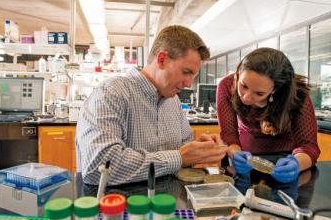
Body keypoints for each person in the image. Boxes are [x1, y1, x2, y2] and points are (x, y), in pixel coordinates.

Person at [76, 25, 227, 185]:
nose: (189, 84)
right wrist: (179, 157)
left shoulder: (174, 101)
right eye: (186, 72)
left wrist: (198, 149)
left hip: (166, 202)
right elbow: (98, 167)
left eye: (193, 76)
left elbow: (183, 147)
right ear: (162, 60)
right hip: (120, 205)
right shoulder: (111, 93)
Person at [217, 47, 320, 183]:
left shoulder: (297, 93)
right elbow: (229, 135)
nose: (246, 98)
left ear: (276, 89)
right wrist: (235, 153)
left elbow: (308, 146)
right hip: (246, 155)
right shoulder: (227, 85)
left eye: (259, 93)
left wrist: (296, 164)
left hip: (285, 159)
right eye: (244, 86)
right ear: (239, 73)